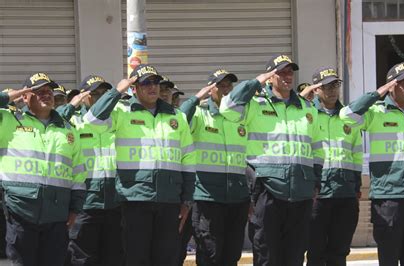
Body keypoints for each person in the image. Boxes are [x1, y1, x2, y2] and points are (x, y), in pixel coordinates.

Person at [84, 64, 196, 266]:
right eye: (145, 83)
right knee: (136, 257)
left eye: (155, 82)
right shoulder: (121, 112)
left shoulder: (176, 116)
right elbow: (92, 120)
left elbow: (187, 158)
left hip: (169, 200)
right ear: (134, 88)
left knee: (166, 258)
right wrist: (117, 91)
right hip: (134, 199)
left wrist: (187, 199)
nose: (152, 87)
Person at [219, 54, 321, 266]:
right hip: (267, 189)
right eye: (281, 72)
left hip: (300, 191)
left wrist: (316, 182)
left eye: (289, 71)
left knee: (294, 255)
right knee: (266, 253)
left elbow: (317, 148)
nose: (287, 76)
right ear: (270, 76)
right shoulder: (255, 104)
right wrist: (256, 81)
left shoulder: (307, 107)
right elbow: (226, 107)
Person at [340, 63, 404, 266]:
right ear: (391, 85)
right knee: (389, 259)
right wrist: (378, 93)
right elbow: (347, 116)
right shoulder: (376, 113)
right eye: (402, 81)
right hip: (388, 199)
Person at [0, 73, 86, 266]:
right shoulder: (9, 121)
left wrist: (75, 209)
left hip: (57, 216)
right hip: (21, 213)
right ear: (25, 96)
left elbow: (78, 172)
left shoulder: (67, 129)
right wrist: (11, 96)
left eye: (49, 91)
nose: (46, 95)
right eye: (38, 92)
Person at [180, 69, 250, 266]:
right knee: (210, 254)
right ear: (210, 89)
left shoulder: (240, 116)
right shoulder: (200, 114)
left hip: (237, 197)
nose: (226, 89)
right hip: (208, 198)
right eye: (220, 85)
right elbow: (179, 121)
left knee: (231, 255)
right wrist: (195, 98)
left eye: (229, 85)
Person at [57, 75, 124, 265]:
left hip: (115, 203)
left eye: (104, 94)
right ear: (82, 96)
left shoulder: (118, 120)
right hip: (84, 205)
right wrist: (72, 105)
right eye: (94, 93)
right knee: (81, 258)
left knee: (114, 257)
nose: (100, 98)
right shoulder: (73, 122)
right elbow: (53, 119)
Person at [300, 67, 362, 266]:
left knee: (339, 252)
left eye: (335, 85)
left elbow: (356, 153)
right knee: (315, 252)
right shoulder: (307, 114)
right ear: (316, 89)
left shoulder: (347, 116)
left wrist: (357, 186)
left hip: (344, 193)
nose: (332, 90)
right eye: (326, 86)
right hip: (318, 194)